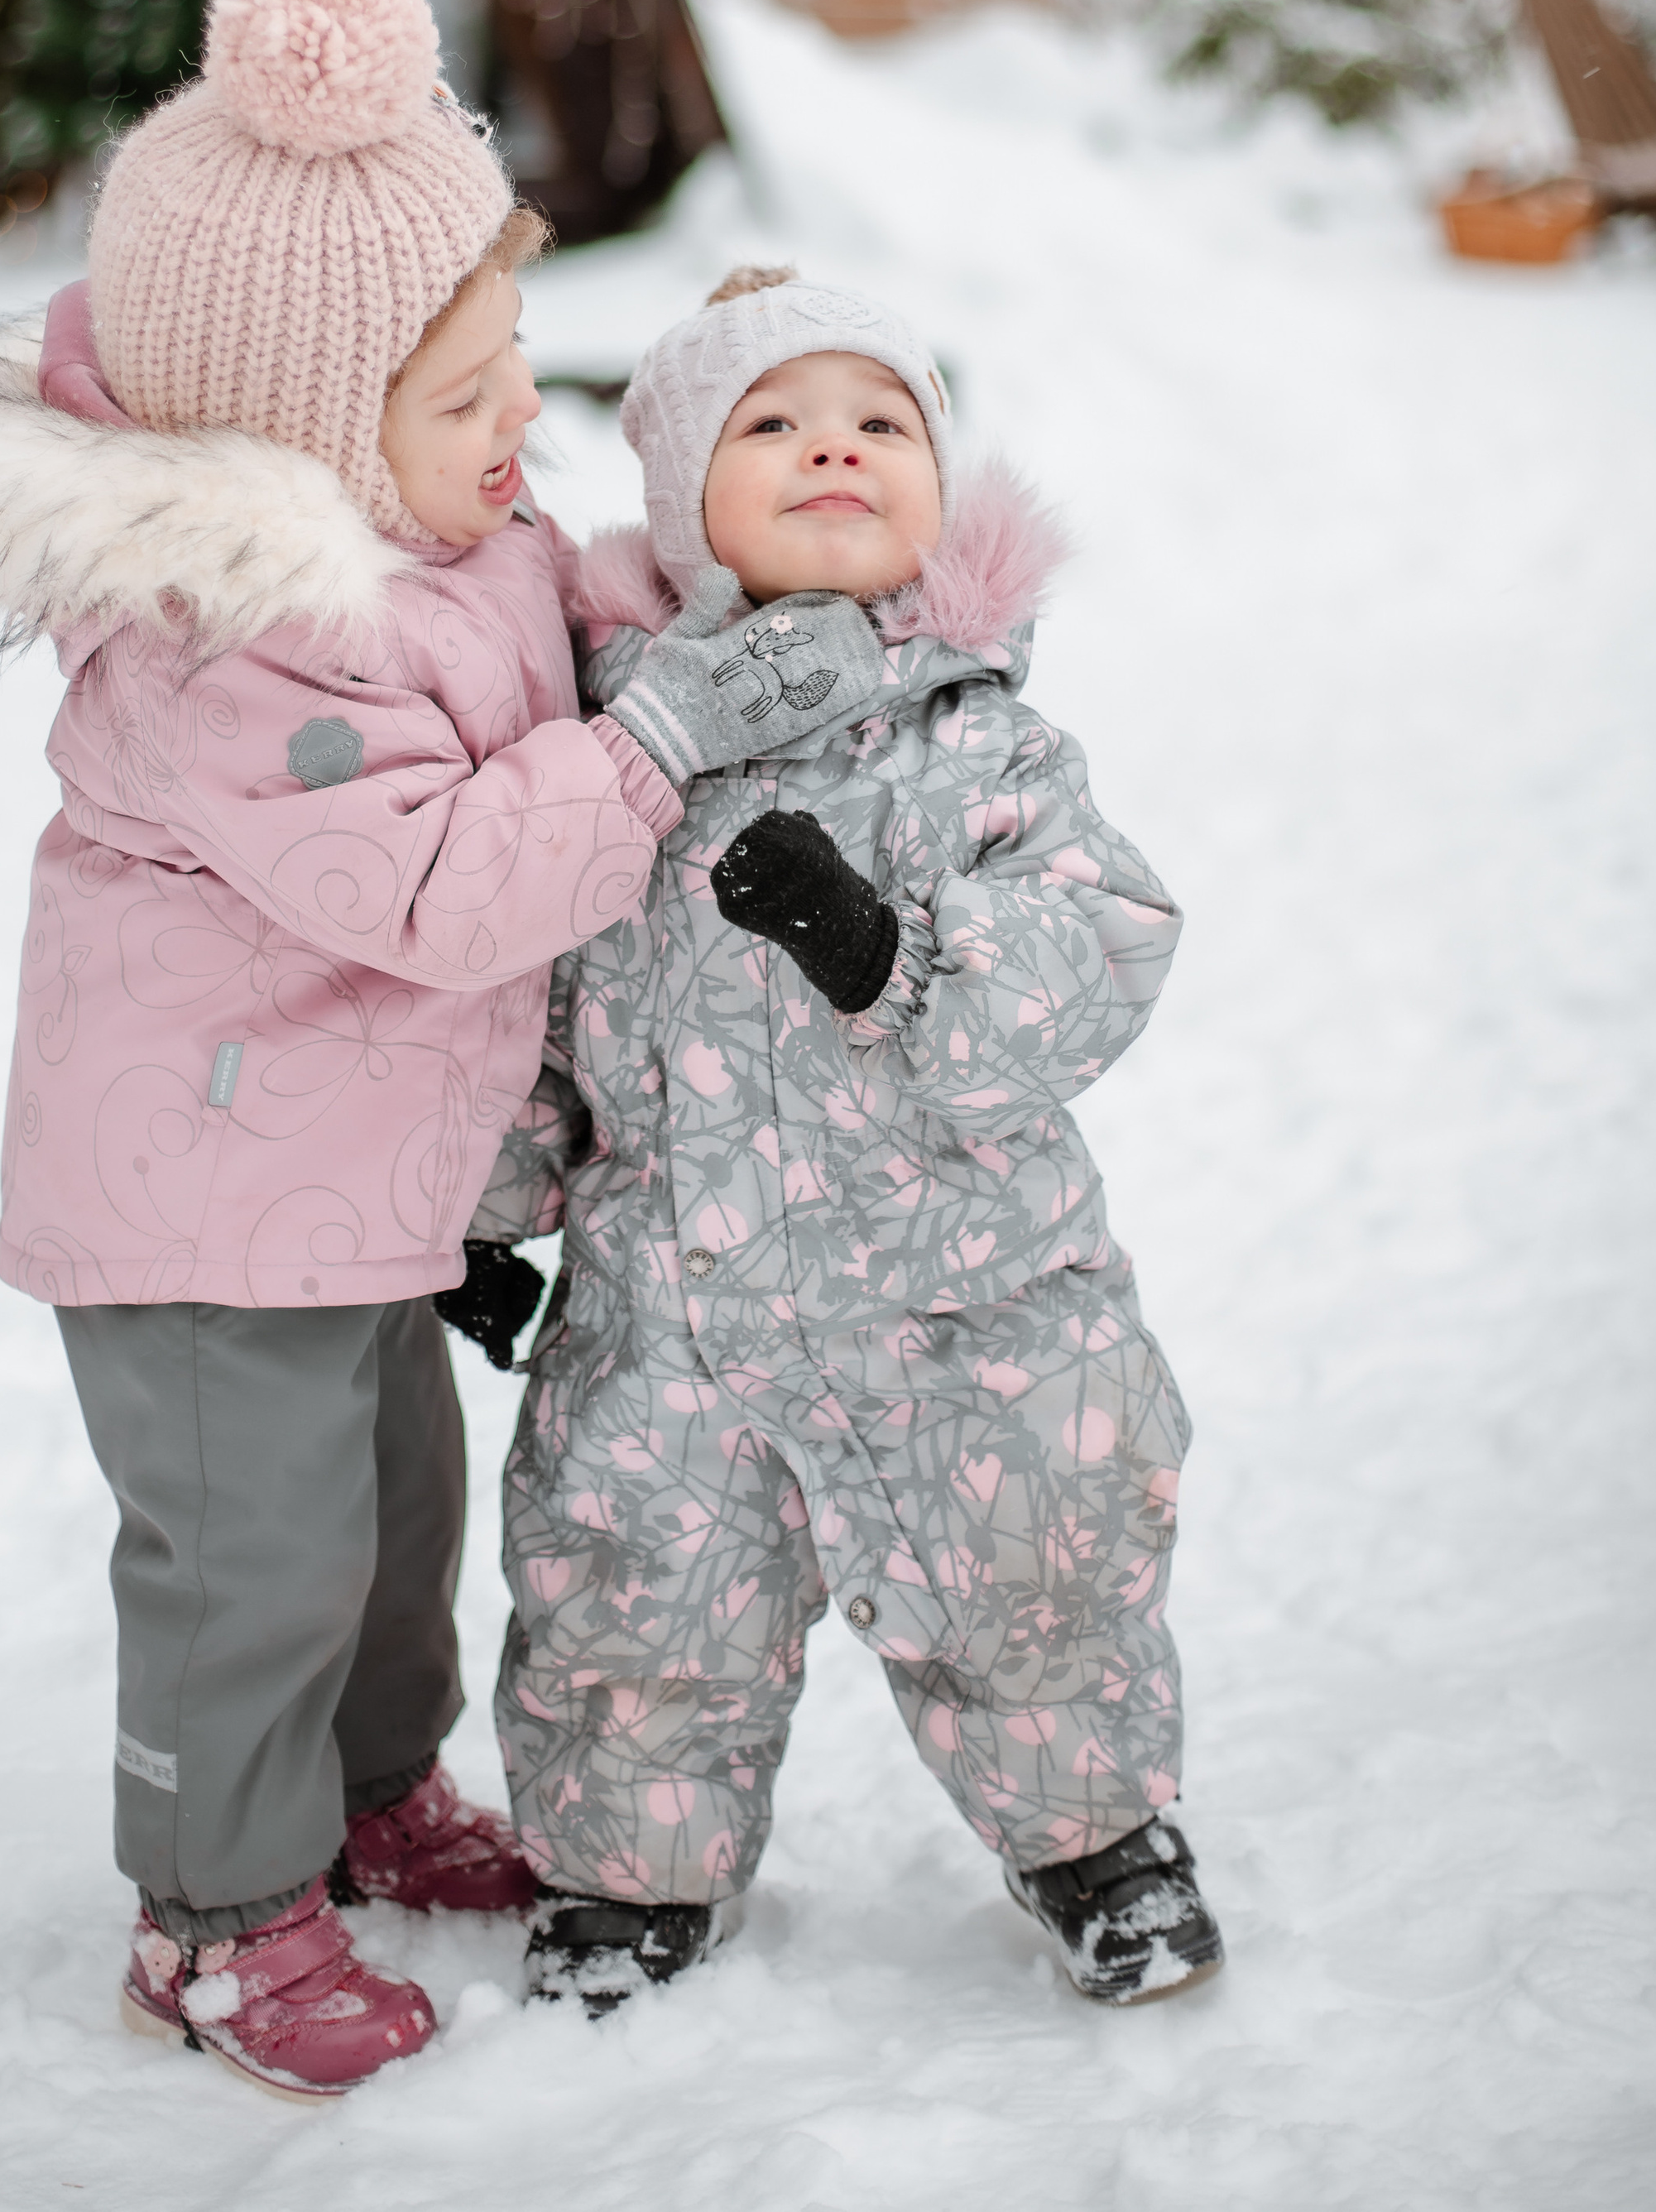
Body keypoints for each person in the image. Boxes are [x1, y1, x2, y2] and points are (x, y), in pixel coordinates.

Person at [0, 0, 684, 2101]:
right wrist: (651, 756)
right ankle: (216, 1917)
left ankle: (366, 1789)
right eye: (465, 396)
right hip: (202, 1208)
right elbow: (434, 881)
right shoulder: (238, 637)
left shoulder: (445, 533)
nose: (522, 421)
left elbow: (552, 631)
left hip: (340, 1191)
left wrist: (686, 588)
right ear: (307, 444)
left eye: (518, 362)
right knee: (255, 1558)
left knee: (391, 1515)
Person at [477, 266, 1226, 2013]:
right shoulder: (616, 757)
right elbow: (531, 1001)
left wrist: (880, 952)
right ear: (685, 506)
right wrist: (485, 1205)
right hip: (672, 1306)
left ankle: (1098, 1840)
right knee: (632, 1598)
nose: (836, 449)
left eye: (881, 421)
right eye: (774, 424)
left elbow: (1100, 948)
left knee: (1033, 1578)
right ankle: (625, 1881)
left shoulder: (983, 744)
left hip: (962, 1300)